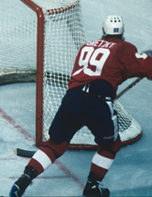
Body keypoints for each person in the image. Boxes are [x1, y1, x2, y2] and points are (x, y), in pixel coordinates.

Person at [9, 15, 152, 197]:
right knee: (110, 145)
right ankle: (92, 186)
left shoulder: (88, 45)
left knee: (54, 145)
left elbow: (101, 70)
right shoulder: (125, 47)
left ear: (102, 30)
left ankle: (23, 180)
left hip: (73, 98)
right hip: (98, 102)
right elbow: (144, 66)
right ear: (122, 32)